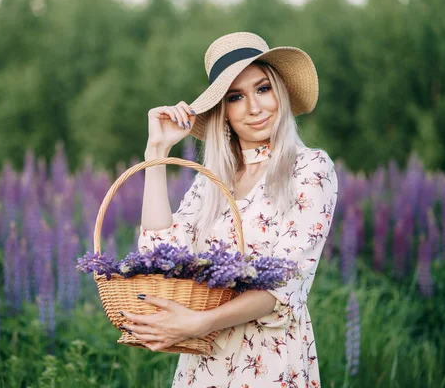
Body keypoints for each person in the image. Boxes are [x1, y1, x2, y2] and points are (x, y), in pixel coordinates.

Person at [121, 32, 338, 387]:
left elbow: (286, 282)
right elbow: (158, 254)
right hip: (203, 366)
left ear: (280, 93)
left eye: (263, 88)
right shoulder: (212, 181)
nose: (254, 107)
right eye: (237, 97)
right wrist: (156, 154)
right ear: (223, 111)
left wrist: (199, 323)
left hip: (269, 362)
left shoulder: (310, 168)